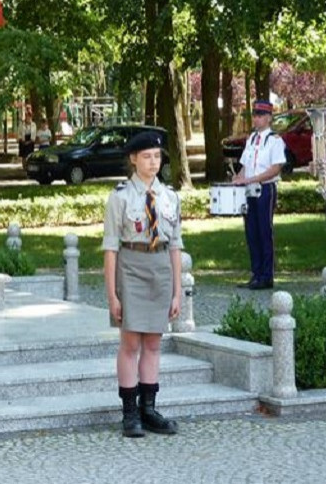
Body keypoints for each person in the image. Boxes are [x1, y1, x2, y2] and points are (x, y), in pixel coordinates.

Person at [102, 130, 182, 438]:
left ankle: (149, 409)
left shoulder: (170, 197)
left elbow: (175, 246)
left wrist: (177, 292)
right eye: (147, 156)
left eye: (158, 157)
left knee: (153, 342)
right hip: (131, 266)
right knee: (131, 343)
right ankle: (130, 412)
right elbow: (110, 248)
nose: (153, 162)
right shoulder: (120, 197)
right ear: (133, 159)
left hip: (160, 268)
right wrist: (112, 295)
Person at [232, 100, 286, 290]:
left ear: (269, 118)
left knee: (264, 231)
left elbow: (275, 168)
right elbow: (245, 165)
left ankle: (267, 275)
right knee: (251, 232)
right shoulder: (252, 138)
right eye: (254, 115)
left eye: (260, 115)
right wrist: (238, 178)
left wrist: (250, 179)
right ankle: (256, 274)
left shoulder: (275, 140)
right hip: (250, 190)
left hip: (265, 188)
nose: (256, 118)